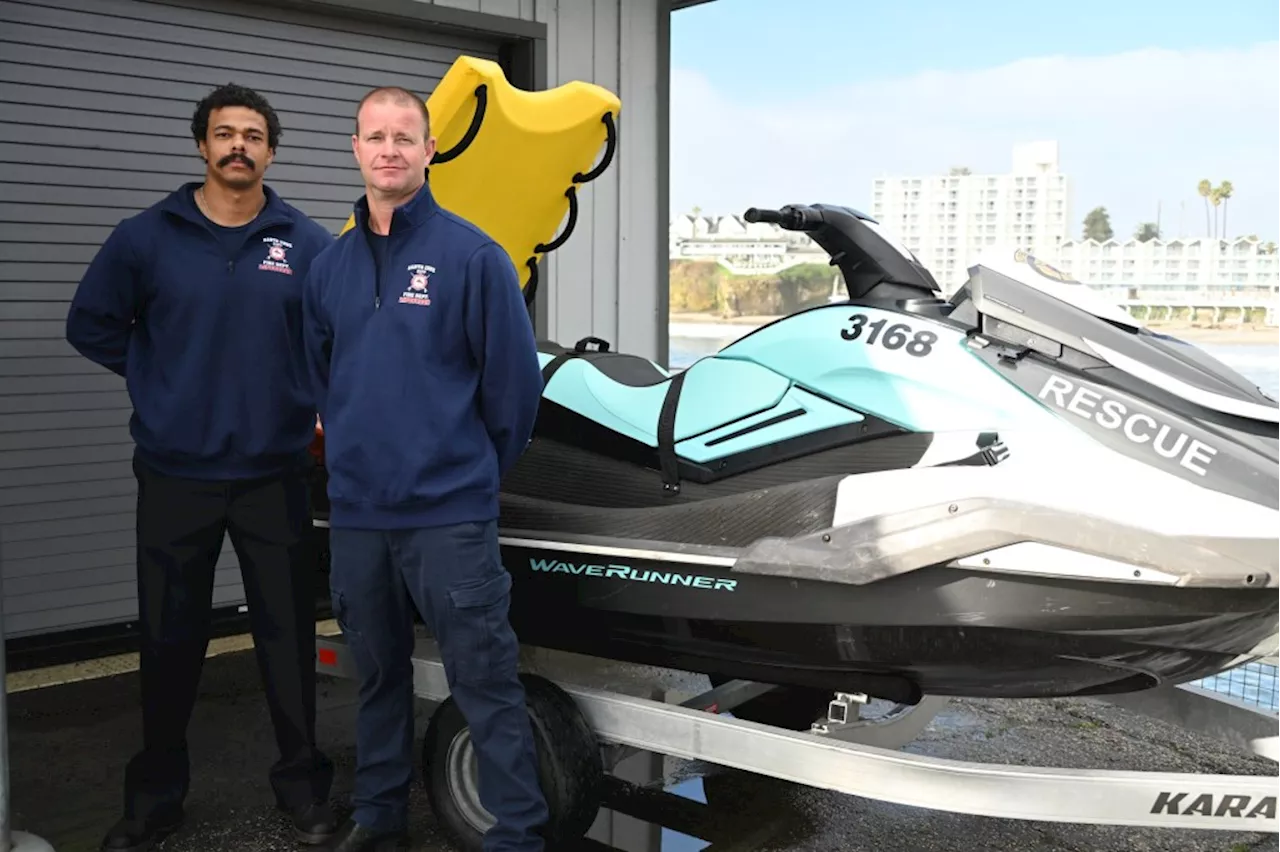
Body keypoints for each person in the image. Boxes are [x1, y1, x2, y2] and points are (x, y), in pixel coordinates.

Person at [65, 83, 338, 851]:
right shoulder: (145, 237)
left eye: (254, 135)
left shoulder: (306, 242)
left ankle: (303, 790)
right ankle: (155, 801)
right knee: (168, 638)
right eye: (225, 133)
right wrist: (159, 378)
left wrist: (306, 395)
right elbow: (89, 324)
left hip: (273, 475)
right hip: (175, 474)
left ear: (271, 151)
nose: (239, 146)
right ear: (201, 146)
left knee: (287, 638)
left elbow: (333, 337)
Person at [300, 86, 549, 852]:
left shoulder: (474, 258)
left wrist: (461, 469)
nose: (389, 150)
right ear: (355, 148)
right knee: (378, 678)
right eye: (375, 135)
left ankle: (517, 834)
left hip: (449, 520)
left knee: (484, 682)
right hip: (359, 519)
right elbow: (321, 379)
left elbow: (514, 393)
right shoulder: (329, 268)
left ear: (430, 150)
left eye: (405, 136)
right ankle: (378, 817)